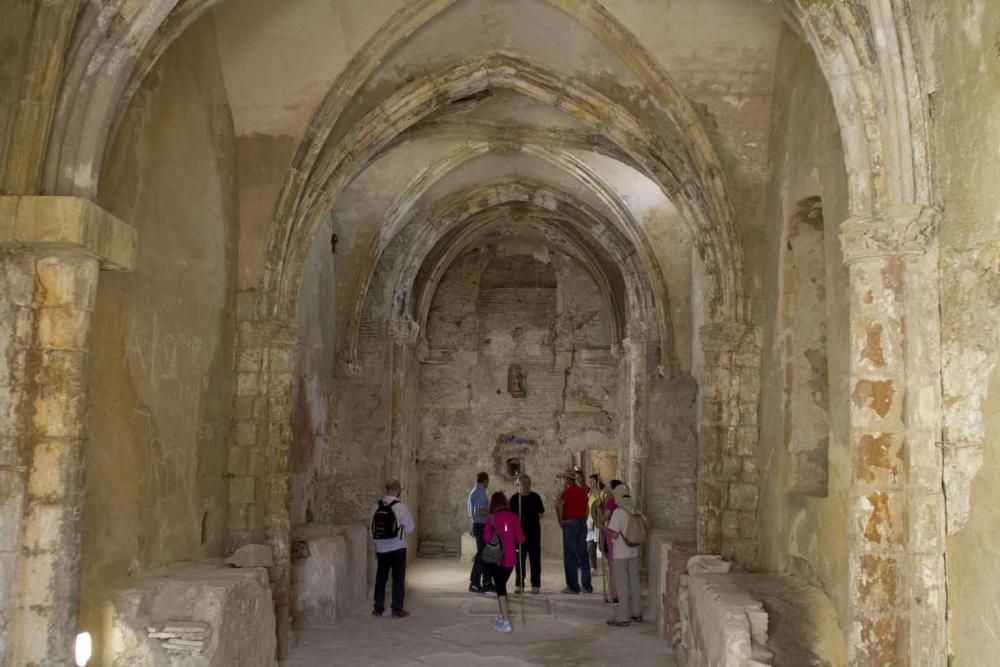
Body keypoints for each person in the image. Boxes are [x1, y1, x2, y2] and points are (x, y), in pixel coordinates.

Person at [370, 479, 415, 618]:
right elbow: (410, 528)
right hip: (398, 548)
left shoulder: (376, 506)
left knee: (381, 578)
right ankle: (396, 609)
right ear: (397, 490)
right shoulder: (401, 507)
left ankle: (378, 608)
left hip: (381, 549)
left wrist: (376, 544)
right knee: (398, 579)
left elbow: (371, 529)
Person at [483, 491, 525, 634]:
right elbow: (521, 539)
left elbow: (486, 537)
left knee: (500, 589)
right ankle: (502, 615)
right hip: (511, 560)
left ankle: (506, 623)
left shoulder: (492, 518)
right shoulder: (514, 517)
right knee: (503, 586)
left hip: (497, 560)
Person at [604, 484, 642, 626]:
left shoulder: (619, 512)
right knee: (635, 582)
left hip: (621, 552)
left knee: (622, 584)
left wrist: (604, 528)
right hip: (634, 550)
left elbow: (614, 534)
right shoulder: (634, 509)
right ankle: (637, 613)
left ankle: (623, 617)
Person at [556, 471, 592, 594]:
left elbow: (560, 506)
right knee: (583, 554)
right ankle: (587, 586)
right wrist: (584, 518)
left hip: (570, 524)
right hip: (582, 523)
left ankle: (573, 586)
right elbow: (587, 508)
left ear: (567, 480)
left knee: (570, 555)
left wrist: (561, 521)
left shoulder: (566, 492)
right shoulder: (583, 492)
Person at [510, 475, 545, 593]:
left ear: (530, 484)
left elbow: (541, 514)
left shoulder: (535, 497)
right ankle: (519, 584)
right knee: (519, 560)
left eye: (527, 483)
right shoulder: (514, 499)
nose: (525, 485)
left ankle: (535, 584)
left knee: (535, 559)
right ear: (518, 485)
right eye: (522, 483)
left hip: (534, 534)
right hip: (519, 535)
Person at [467, 471, 495, 593]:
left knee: (485, 555)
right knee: (481, 555)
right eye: (488, 481)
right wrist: (491, 512)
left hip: (481, 525)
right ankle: (474, 582)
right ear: (485, 480)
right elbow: (478, 512)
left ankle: (487, 582)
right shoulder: (479, 492)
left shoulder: (477, 491)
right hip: (481, 526)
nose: (488, 483)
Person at [586, 474, 608, 572]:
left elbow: (609, 503)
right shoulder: (589, 494)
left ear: (597, 482)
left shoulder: (603, 493)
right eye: (589, 482)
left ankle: (609, 562)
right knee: (590, 545)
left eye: (592, 481)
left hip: (600, 521)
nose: (590, 483)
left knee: (601, 544)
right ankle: (593, 566)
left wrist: (601, 503)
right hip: (590, 521)